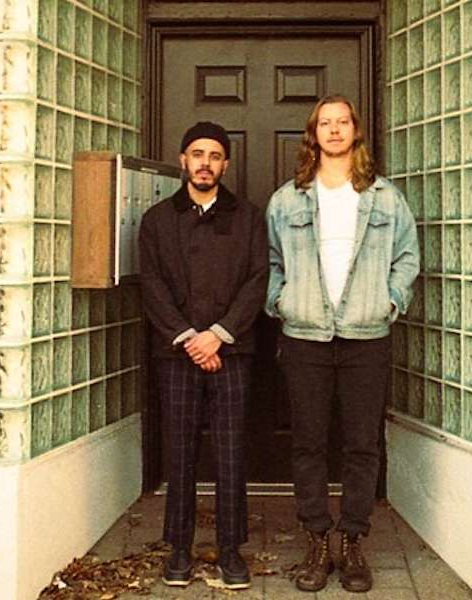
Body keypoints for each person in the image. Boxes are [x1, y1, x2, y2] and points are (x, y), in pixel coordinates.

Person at [265, 95, 420, 593]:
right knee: (308, 443)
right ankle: (316, 540)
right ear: (314, 134)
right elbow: (271, 261)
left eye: (342, 122)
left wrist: (389, 302)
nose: (334, 130)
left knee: (361, 444)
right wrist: (282, 301)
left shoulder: (385, 198)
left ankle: (353, 541)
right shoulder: (287, 199)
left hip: (365, 336)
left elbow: (407, 257)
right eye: (325, 123)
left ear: (355, 131)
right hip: (305, 335)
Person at [137, 121, 269, 590]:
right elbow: (152, 284)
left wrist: (219, 334)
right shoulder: (157, 220)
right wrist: (189, 338)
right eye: (197, 154)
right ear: (183, 160)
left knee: (231, 452)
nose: (205, 163)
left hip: (232, 350)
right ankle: (179, 548)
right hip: (177, 353)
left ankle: (231, 549)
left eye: (214, 155)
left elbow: (258, 279)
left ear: (225, 164)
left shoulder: (249, 217)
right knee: (179, 451)